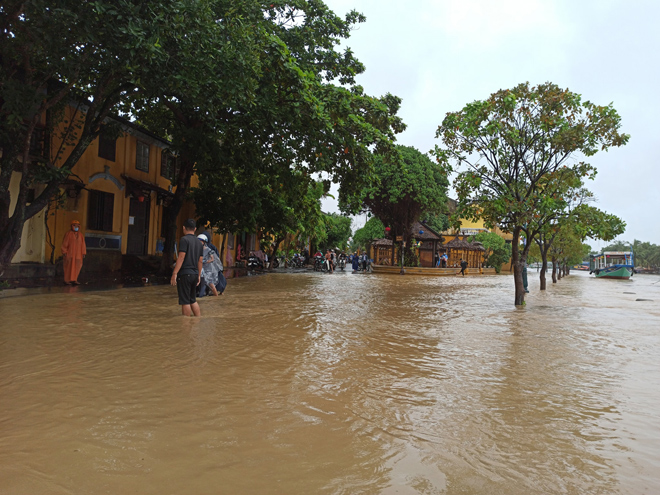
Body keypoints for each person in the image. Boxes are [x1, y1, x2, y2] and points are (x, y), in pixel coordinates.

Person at [171, 219, 204, 316]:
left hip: (185, 274)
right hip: (194, 274)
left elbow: (181, 257)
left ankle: (186, 325)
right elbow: (200, 260)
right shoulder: (199, 243)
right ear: (195, 229)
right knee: (192, 300)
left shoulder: (184, 240)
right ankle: (197, 320)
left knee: (185, 301)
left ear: (183, 228)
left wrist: (174, 273)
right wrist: (199, 275)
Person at [61, 220, 86, 285]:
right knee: (68, 267)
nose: (76, 227)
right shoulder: (68, 234)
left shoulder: (80, 235)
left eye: (77, 225)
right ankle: (67, 280)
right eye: (74, 225)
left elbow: (83, 245)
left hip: (78, 255)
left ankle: (74, 279)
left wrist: (83, 253)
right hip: (70, 254)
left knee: (77, 267)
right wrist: (64, 251)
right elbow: (65, 243)